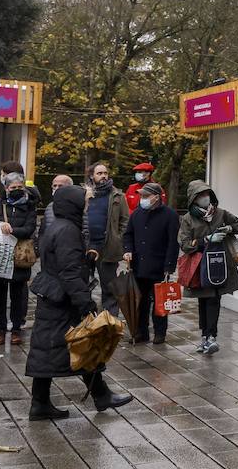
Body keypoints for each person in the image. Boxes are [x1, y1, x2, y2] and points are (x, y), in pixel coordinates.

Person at [26, 184, 133, 421]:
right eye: (85, 201)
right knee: (77, 345)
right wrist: (86, 303)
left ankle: (92, 395)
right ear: (73, 204)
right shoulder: (68, 231)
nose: (87, 206)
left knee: (67, 347)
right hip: (63, 300)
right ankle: (93, 396)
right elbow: (69, 272)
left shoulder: (60, 227)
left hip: (55, 296)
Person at [177, 180, 238, 354]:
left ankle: (211, 337)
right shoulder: (188, 219)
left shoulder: (221, 213)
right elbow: (184, 244)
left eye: (207, 194)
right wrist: (205, 240)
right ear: (193, 199)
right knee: (203, 300)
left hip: (220, 263)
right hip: (199, 265)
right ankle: (206, 336)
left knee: (214, 298)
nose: (205, 198)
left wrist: (229, 228)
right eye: (200, 195)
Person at [0, 173, 37, 345]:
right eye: (13, 188)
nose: (16, 190)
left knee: (18, 296)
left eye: (19, 187)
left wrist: (11, 230)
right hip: (0, 254)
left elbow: (29, 228)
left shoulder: (30, 205)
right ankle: (0, 329)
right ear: (6, 188)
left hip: (20, 256)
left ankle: (16, 329)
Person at [123, 182, 180, 343]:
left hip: (160, 267)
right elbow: (128, 235)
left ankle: (160, 332)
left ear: (156, 197)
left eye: (146, 196)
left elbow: (173, 243)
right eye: (141, 195)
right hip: (139, 266)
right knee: (140, 301)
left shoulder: (170, 215)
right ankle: (141, 332)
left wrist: (169, 266)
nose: (142, 199)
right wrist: (127, 250)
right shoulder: (136, 214)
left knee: (160, 302)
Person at [85, 162, 130, 315]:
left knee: (110, 286)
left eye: (105, 173)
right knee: (83, 284)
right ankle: (86, 317)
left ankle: (110, 320)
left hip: (108, 247)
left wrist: (118, 238)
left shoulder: (117, 195)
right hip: (86, 246)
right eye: (99, 173)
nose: (103, 176)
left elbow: (125, 220)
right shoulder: (84, 193)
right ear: (92, 176)